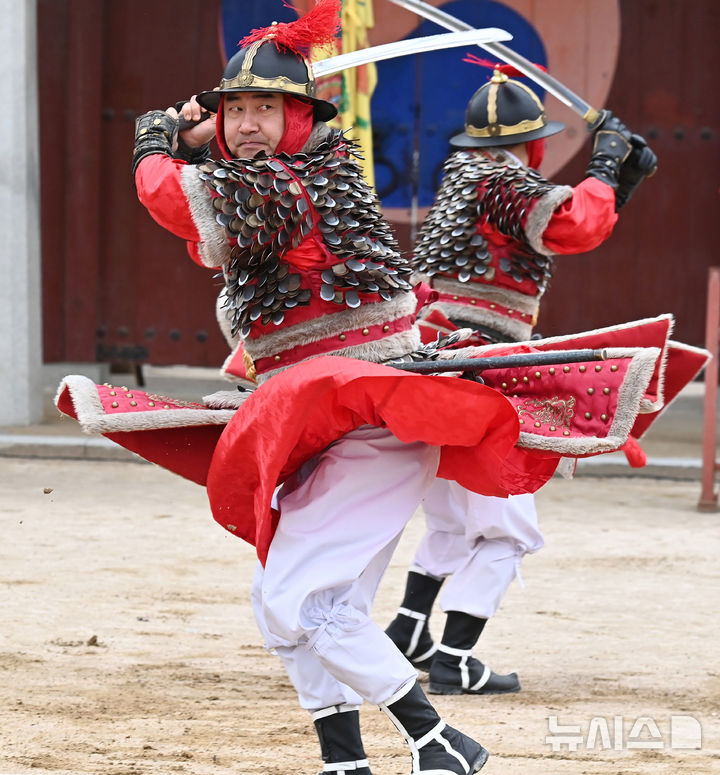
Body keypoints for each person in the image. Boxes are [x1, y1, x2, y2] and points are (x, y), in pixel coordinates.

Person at [57, 5, 672, 773]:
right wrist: (609, 172)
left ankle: (439, 738)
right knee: (302, 601)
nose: (246, 123)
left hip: (372, 408)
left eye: (264, 107)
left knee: (311, 598)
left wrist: (156, 143)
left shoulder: (286, 184)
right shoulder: (306, 176)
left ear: (298, 119)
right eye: (235, 110)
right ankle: (349, 756)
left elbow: (176, 200)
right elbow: (575, 223)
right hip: (340, 401)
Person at [385, 62, 658, 697]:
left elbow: (559, 232)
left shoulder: (466, 179)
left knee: (453, 518)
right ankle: (455, 658)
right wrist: (603, 167)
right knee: (509, 529)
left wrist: (619, 180)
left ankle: (408, 629)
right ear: (533, 143)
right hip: (479, 369)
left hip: (436, 363)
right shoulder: (501, 181)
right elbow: (573, 224)